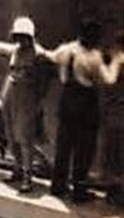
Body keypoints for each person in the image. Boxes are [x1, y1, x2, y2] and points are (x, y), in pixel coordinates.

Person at [45, 17, 122, 201]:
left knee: (63, 146)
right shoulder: (94, 57)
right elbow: (109, 79)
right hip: (86, 105)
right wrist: (117, 61)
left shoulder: (66, 49)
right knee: (84, 149)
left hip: (66, 101)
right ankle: (79, 191)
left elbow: (49, 56)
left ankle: (58, 186)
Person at [0, 16, 46, 194]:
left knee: (25, 138)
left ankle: (27, 177)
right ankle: (16, 168)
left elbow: (43, 82)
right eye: (18, 36)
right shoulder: (15, 51)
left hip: (27, 98)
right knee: (10, 134)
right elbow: (9, 74)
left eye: (23, 36)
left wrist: (38, 102)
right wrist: (1, 98)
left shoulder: (38, 55)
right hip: (11, 96)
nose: (20, 39)